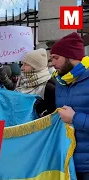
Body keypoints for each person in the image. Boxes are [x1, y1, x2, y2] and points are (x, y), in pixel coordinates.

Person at [50, 32, 89, 180]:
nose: (52, 63)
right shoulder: (61, 82)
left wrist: (75, 118)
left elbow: (71, 118)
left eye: (56, 58)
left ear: (72, 57)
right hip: (66, 161)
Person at [15, 48, 56, 116]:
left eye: (26, 64)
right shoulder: (23, 82)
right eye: (22, 64)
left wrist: (39, 109)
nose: (22, 68)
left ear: (36, 67)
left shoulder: (49, 87)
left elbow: (53, 115)